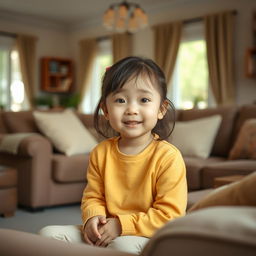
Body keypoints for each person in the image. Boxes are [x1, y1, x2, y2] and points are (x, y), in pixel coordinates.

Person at [39, 56, 187, 255]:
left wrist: (121, 226)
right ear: (106, 110)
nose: (132, 110)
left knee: (120, 246)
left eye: (144, 100)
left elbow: (170, 216)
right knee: (47, 235)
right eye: (120, 100)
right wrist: (93, 217)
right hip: (106, 232)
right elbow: (93, 196)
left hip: (147, 237)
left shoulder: (168, 157)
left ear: (161, 109)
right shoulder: (100, 152)